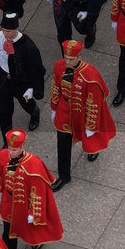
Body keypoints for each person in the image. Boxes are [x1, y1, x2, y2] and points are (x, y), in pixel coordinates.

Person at [50, 39, 116, 190]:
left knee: (88, 138)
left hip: (82, 113)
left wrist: (91, 125)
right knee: (62, 144)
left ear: (79, 57)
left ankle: (93, 150)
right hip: (64, 110)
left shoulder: (90, 76)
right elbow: (55, 88)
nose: (67, 61)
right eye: (66, 58)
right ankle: (64, 176)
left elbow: (95, 103)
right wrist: (54, 108)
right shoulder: (59, 66)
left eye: (71, 59)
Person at [0, 128, 61, 249]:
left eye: (14, 149)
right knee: (8, 231)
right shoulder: (3, 155)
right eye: (10, 149)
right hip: (8, 200)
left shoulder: (34, 164)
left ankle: (36, 241)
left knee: (31, 228)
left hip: (25, 204)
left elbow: (38, 192)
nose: (10, 152)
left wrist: (33, 212)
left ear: (22, 147)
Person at [0, 13, 45, 137]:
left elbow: (37, 70)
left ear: (16, 29)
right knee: (4, 111)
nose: (5, 34)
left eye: (8, 31)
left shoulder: (28, 46)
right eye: (3, 30)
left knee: (26, 103)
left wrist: (32, 89)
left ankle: (34, 113)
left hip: (21, 80)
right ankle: (7, 138)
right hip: (5, 77)